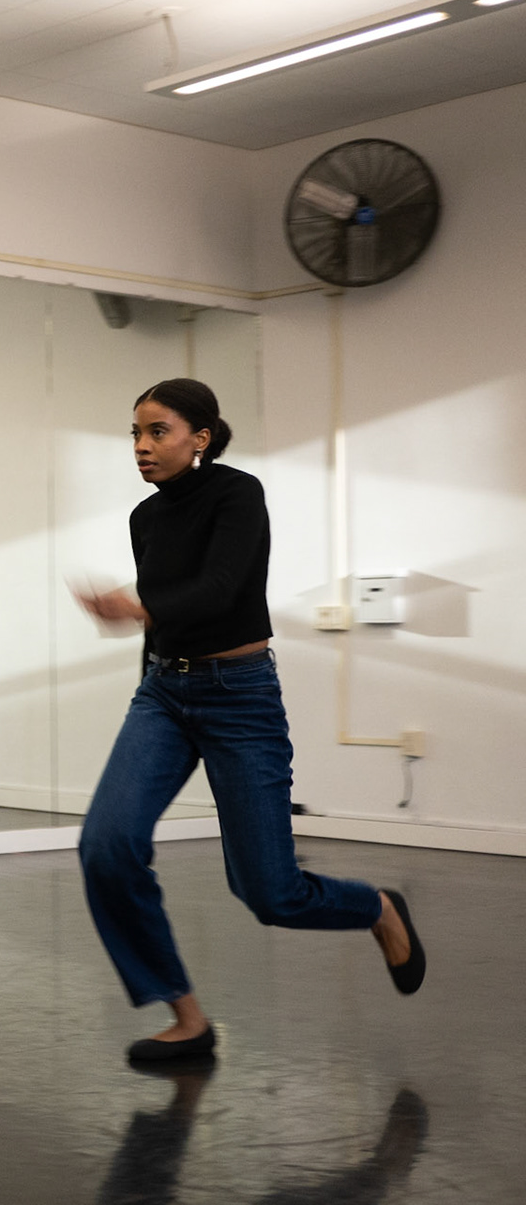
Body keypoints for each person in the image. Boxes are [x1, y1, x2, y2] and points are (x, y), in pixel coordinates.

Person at [74, 378, 424, 1064]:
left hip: (240, 696)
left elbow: (220, 590)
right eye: (136, 435)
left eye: (158, 432)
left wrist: (139, 609)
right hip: (164, 694)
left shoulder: (237, 494)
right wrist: (148, 655)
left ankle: (376, 908)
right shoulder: (146, 519)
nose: (142, 448)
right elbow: (170, 613)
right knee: (106, 846)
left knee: (270, 893)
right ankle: (187, 1018)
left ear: (199, 438)